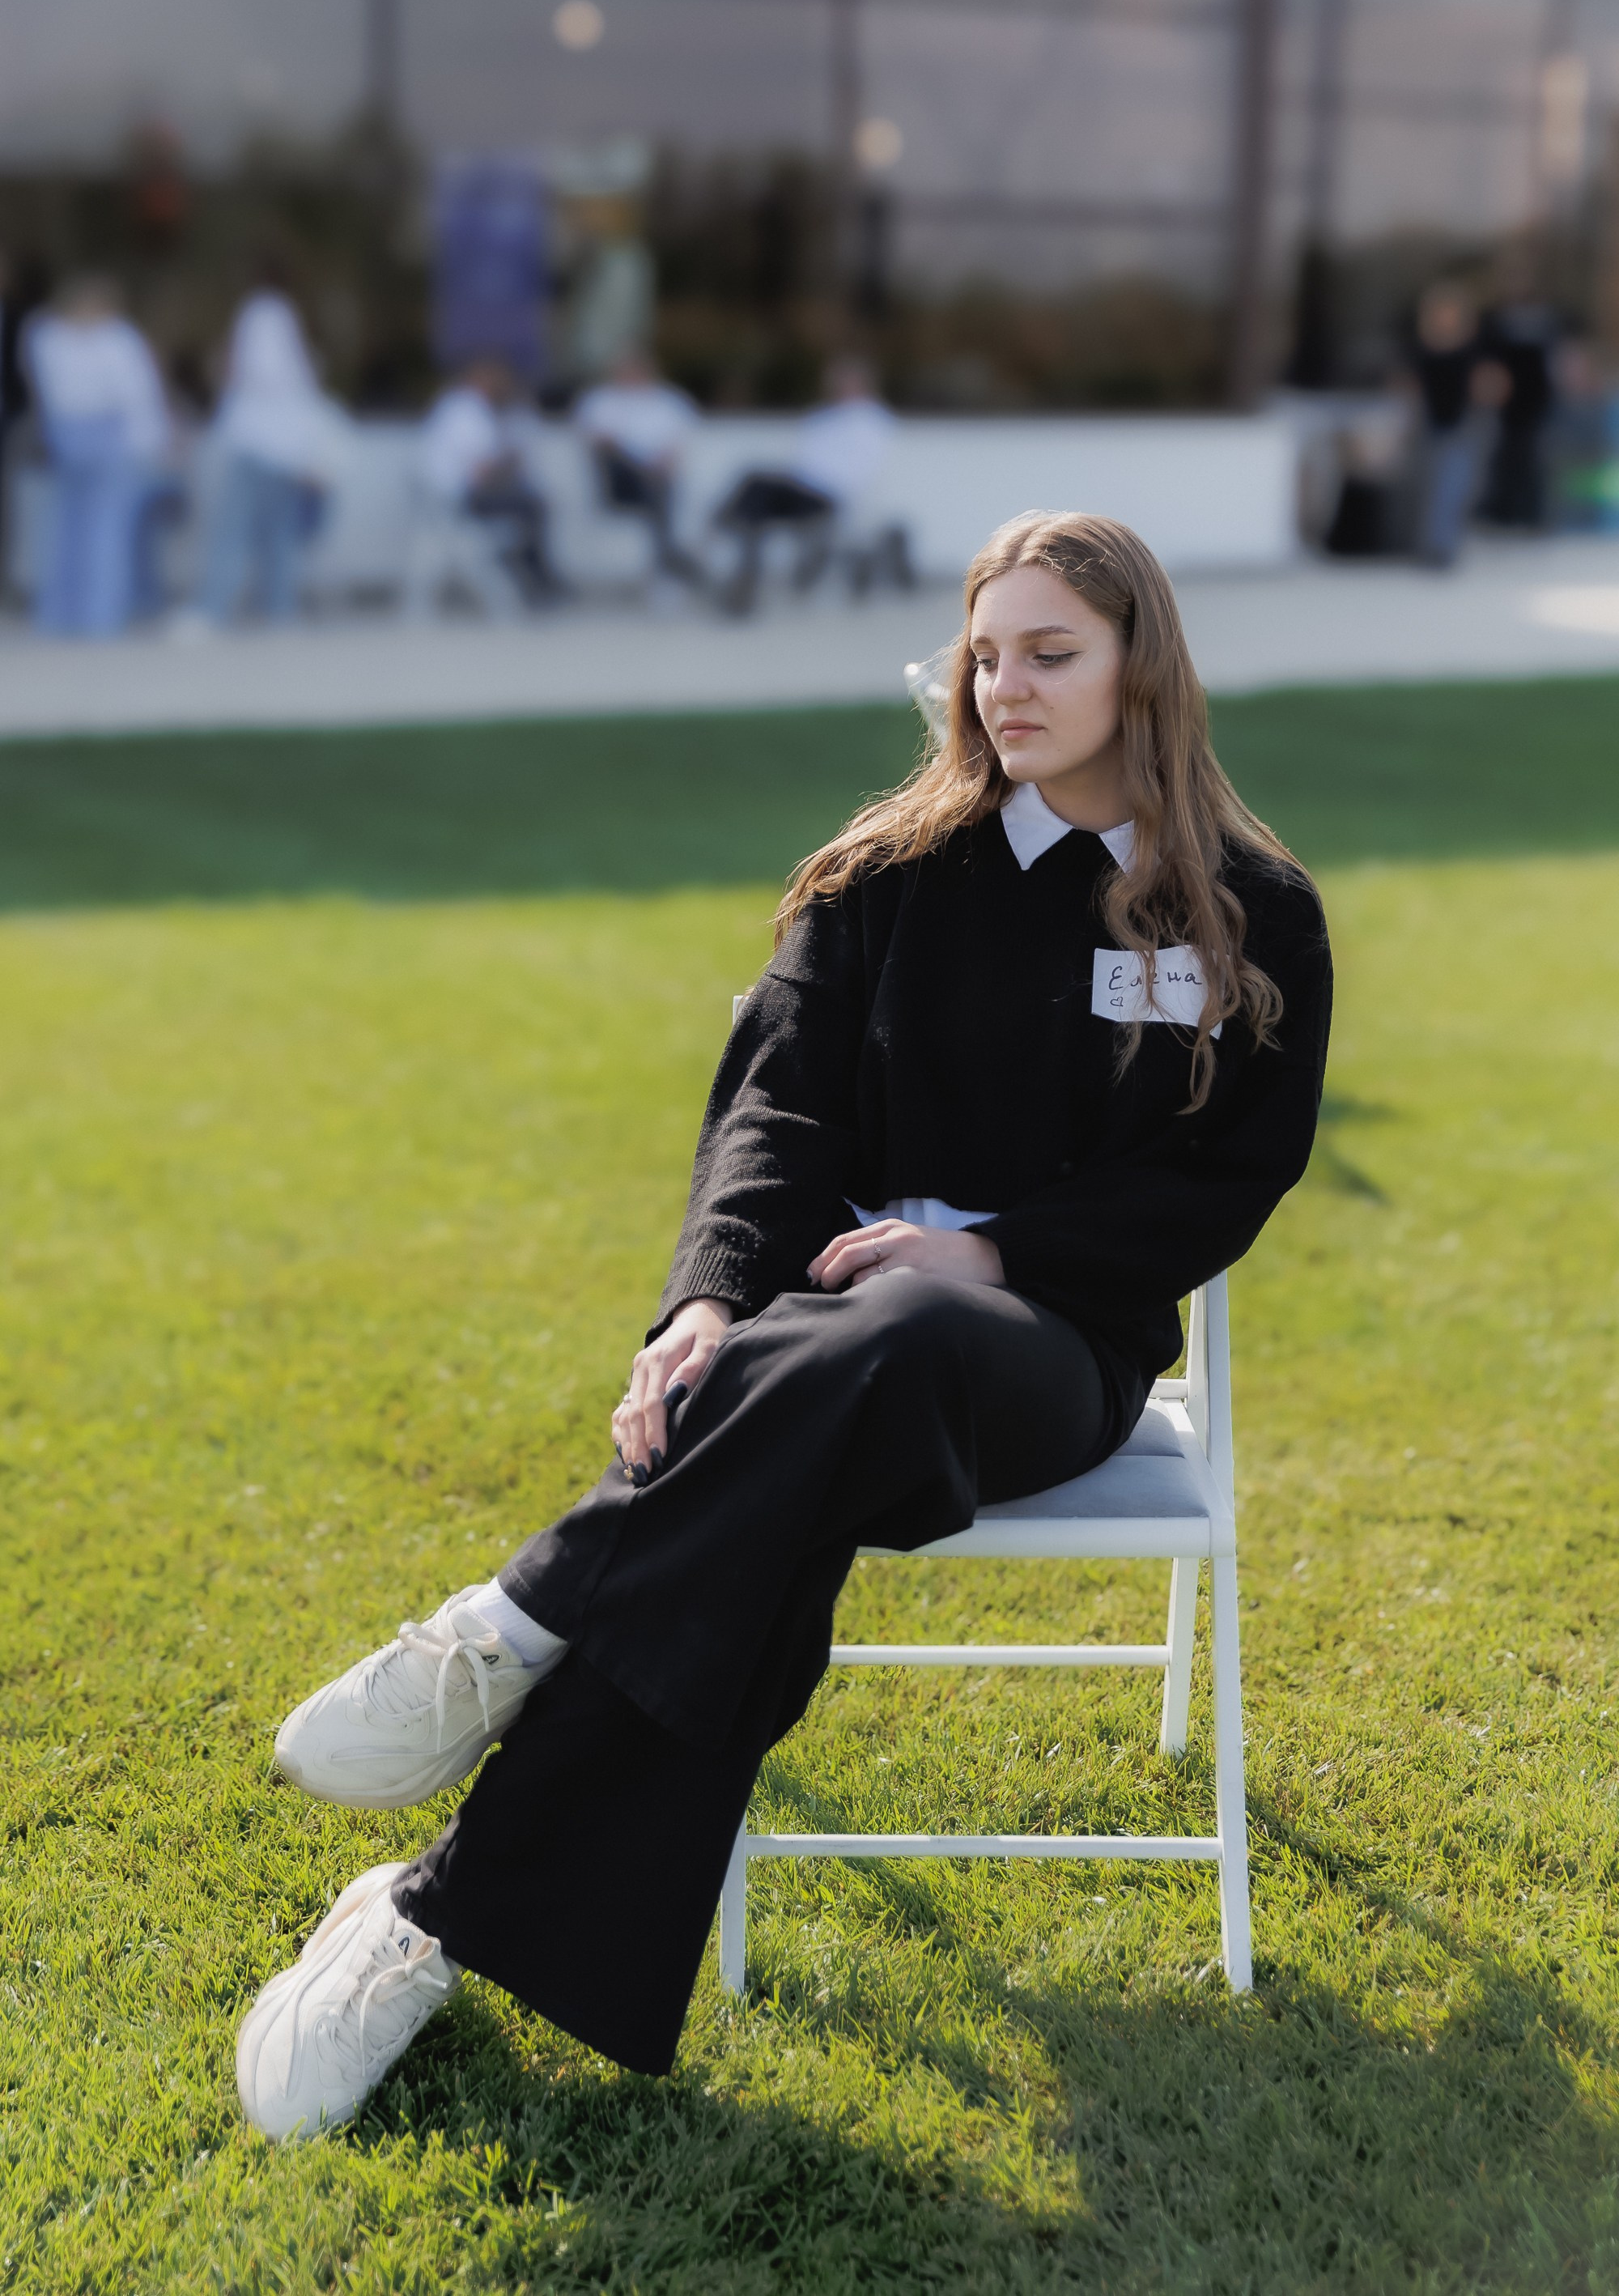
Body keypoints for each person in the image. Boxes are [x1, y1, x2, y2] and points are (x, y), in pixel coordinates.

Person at [235, 509, 1333, 2141]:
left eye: (1051, 653)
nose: (1006, 685)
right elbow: (774, 1123)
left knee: (888, 1341)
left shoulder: (1244, 910)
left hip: (1045, 1354)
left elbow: (1224, 1180)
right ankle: (426, 1915)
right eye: (986, 652)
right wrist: (699, 1310)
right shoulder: (881, 878)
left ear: (1139, 668)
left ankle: (524, 1620)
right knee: (801, 1427)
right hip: (808, 1350)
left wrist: (992, 1256)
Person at [26, 274, 171, 637]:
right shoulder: (112, 339)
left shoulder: (47, 337)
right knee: (96, 531)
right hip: (96, 436)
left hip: (78, 435)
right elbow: (138, 394)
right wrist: (153, 441)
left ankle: (71, 615)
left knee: (78, 529)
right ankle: (92, 616)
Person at [196, 262, 336, 626]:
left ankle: (214, 608)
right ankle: (279, 609)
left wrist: (226, 368)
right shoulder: (285, 318)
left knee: (234, 529)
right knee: (278, 533)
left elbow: (263, 373)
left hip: (259, 441)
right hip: (286, 446)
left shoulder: (263, 313)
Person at [713, 355, 900, 615]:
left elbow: (860, 472)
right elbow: (800, 459)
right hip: (801, 488)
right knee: (754, 505)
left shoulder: (873, 420)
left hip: (827, 495)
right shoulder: (822, 419)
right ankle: (741, 572)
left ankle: (723, 526)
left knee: (755, 487)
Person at [415, 356, 561, 606]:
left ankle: (535, 579)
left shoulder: (459, 407)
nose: (500, 385)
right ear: (478, 379)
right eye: (494, 379)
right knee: (532, 505)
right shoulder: (465, 410)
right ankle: (539, 582)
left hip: (453, 499)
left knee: (528, 504)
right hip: (458, 501)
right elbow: (481, 472)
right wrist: (510, 462)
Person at [572, 349, 703, 588]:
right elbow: (600, 444)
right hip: (618, 480)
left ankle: (669, 565)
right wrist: (638, 462)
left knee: (659, 490)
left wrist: (658, 464)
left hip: (657, 482)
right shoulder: (600, 401)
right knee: (650, 484)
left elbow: (676, 448)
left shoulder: (669, 402)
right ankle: (678, 565)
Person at [1407, 280, 1486, 568]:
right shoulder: (1421, 348)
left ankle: (1444, 544)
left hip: (1459, 424)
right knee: (1428, 486)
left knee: (1453, 486)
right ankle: (1428, 543)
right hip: (1430, 424)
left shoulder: (1472, 347)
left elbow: (1483, 384)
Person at [1477, 255, 1560, 531]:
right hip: (1504, 399)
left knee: (1532, 456)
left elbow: (1555, 358)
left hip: (1535, 398)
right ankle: (1503, 511)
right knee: (1504, 456)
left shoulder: (1544, 316)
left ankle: (1530, 513)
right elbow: (1485, 358)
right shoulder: (1494, 318)